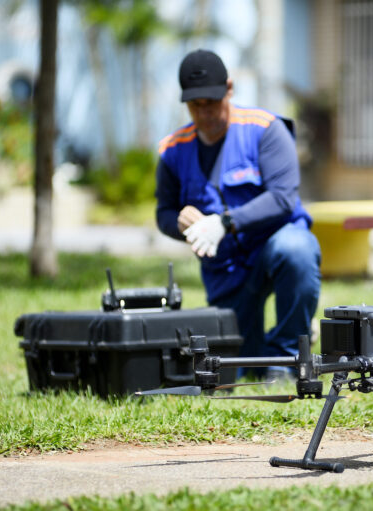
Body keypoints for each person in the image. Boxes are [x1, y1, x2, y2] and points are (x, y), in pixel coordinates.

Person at [154, 49, 321, 379]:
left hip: (274, 245)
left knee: (296, 250)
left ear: (229, 89)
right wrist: (181, 223)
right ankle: (275, 346)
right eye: (195, 105)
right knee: (240, 367)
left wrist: (225, 223)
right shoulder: (172, 150)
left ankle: (287, 355)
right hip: (226, 269)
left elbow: (284, 198)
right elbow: (163, 212)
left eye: (212, 102)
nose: (205, 113)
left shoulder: (266, 129)